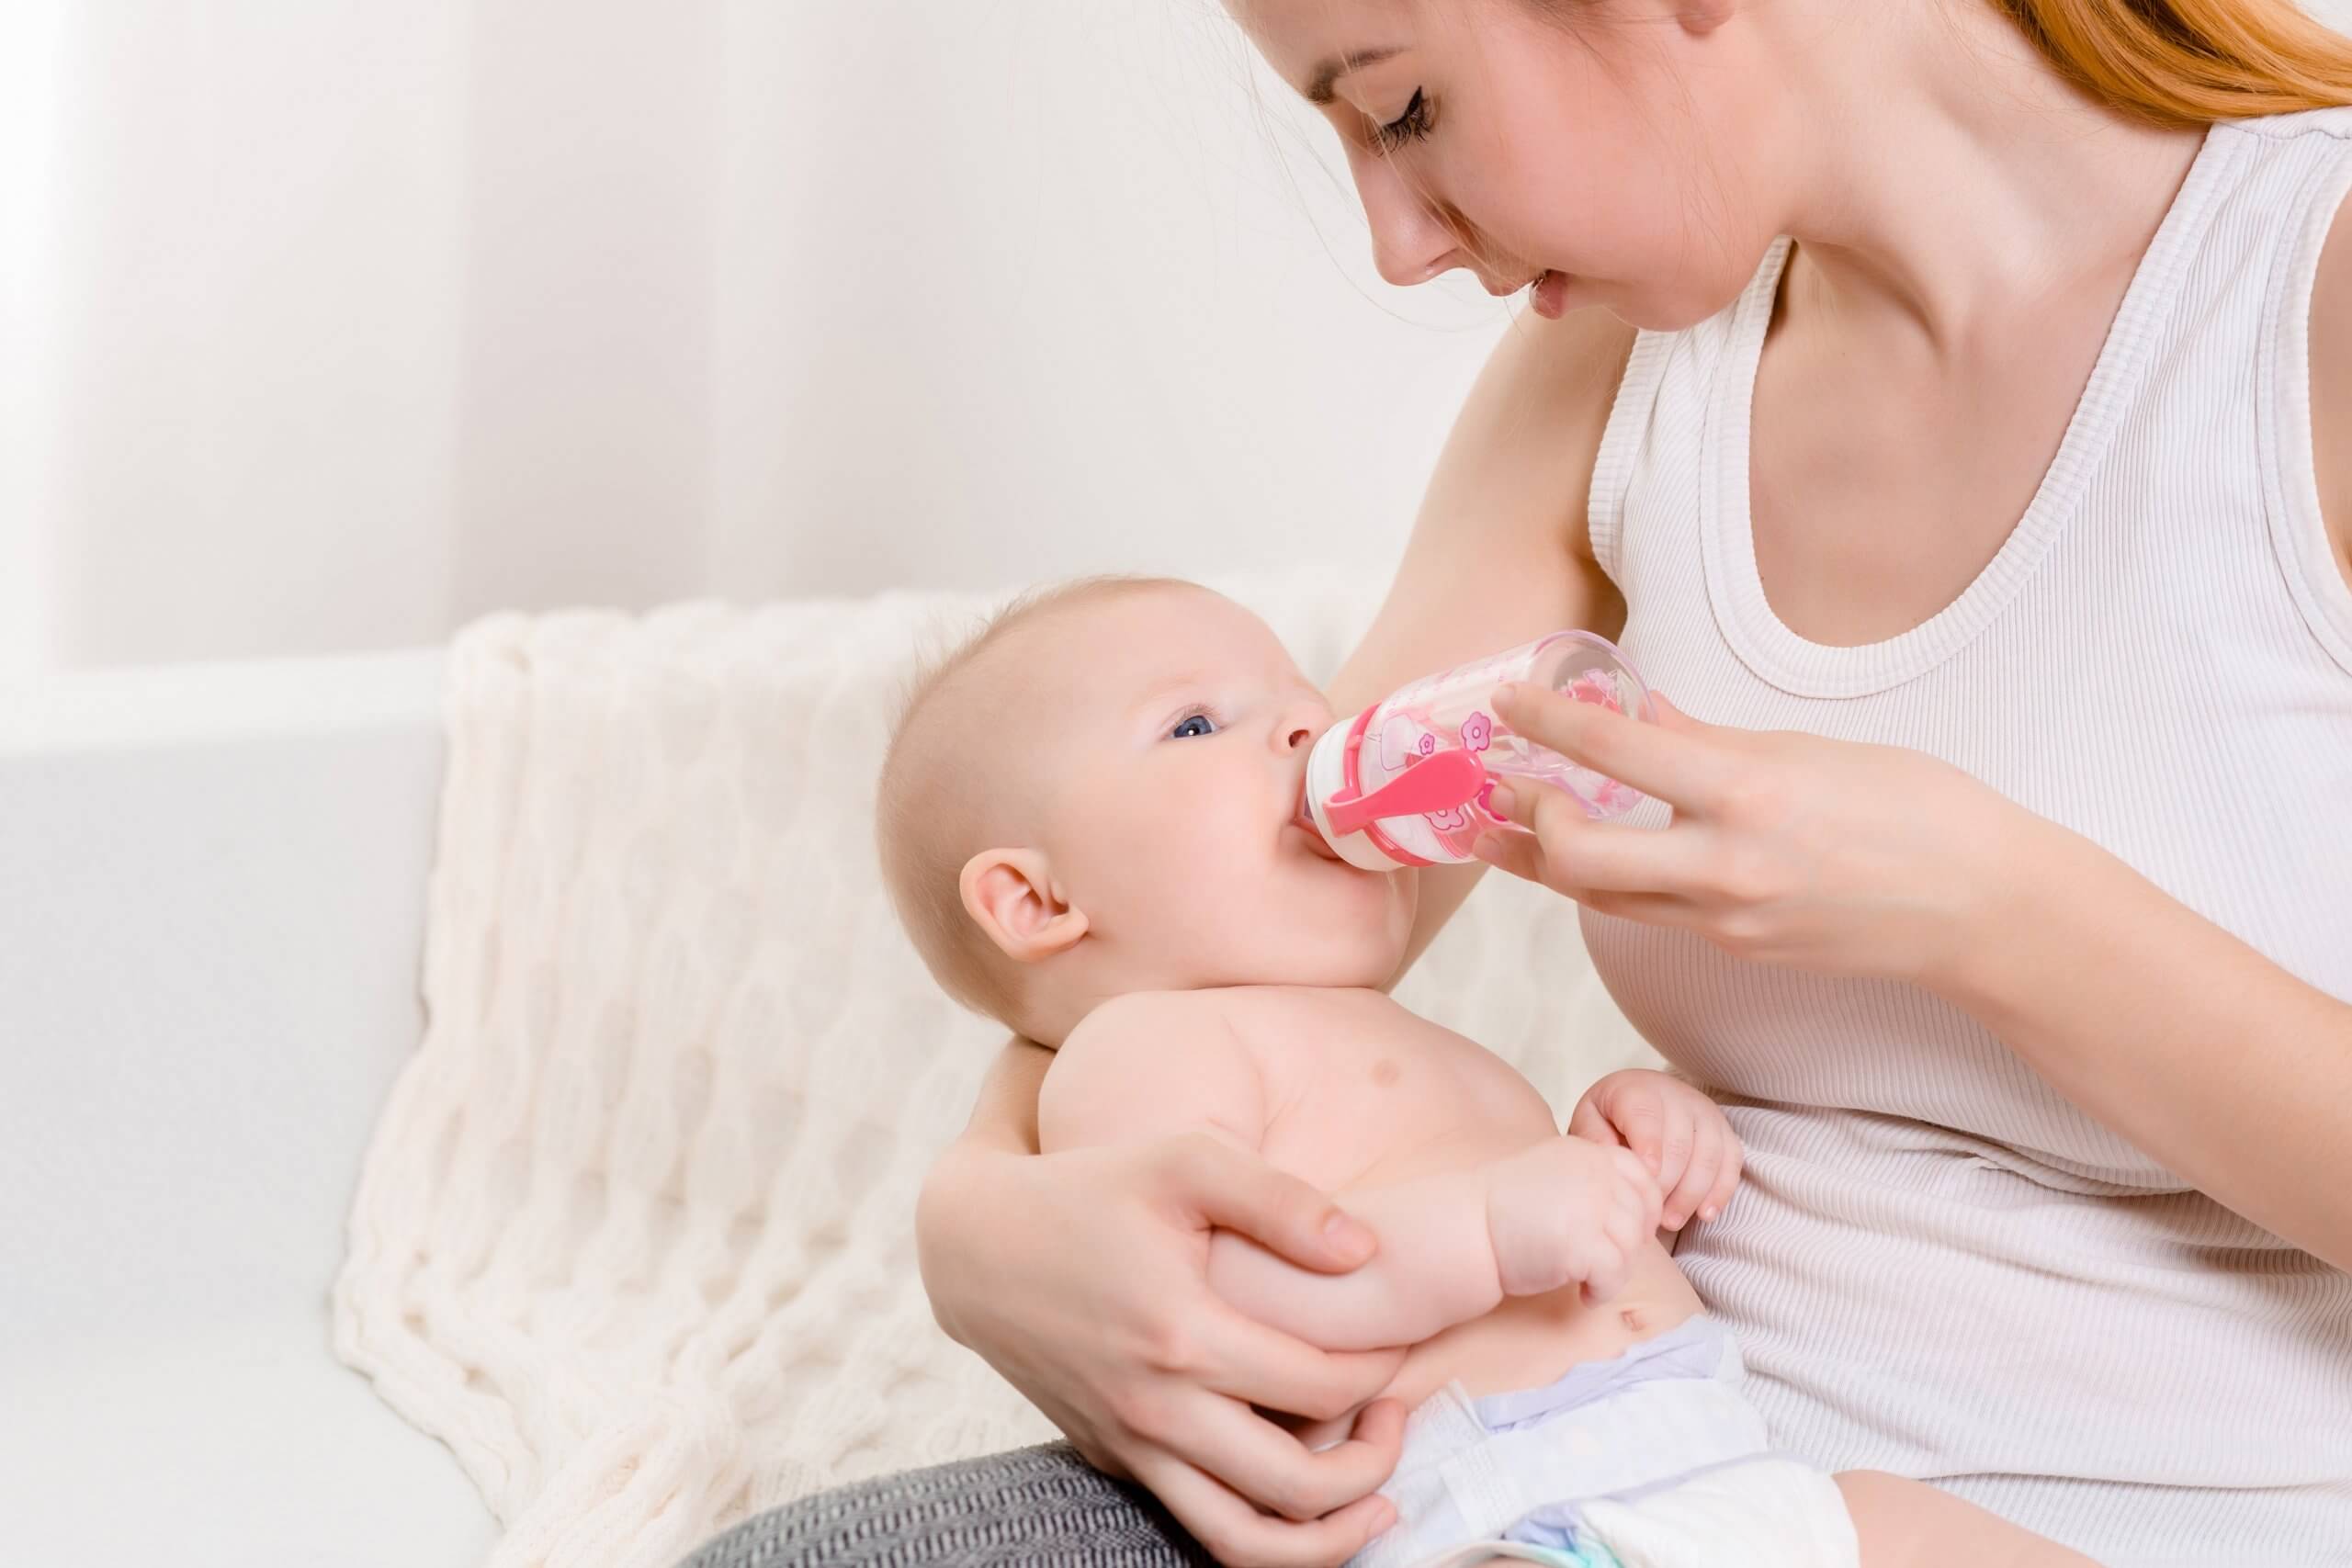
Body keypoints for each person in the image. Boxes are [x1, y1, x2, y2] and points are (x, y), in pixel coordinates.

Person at [683, 0, 2352, 1562]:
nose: (1401, 245)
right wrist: (981, 1224)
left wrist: (1986, 904)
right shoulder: (1633, 370)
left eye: (1404, 108)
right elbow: (1278, 868)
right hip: (1532, 1436)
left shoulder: (2304, 307)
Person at [854, 570, 2105, 1566]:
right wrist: (1492, 1233)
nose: (1310, 722)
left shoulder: (1384, 1032)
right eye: (1197, 722)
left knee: (1927, 1533)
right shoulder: (1146, 1050)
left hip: (1726, 1469)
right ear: (1036, 900)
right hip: (1490, 1507)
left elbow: (1514, 1203)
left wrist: (1630, 1138)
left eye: (1300, 692)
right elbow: (1227, 1305)